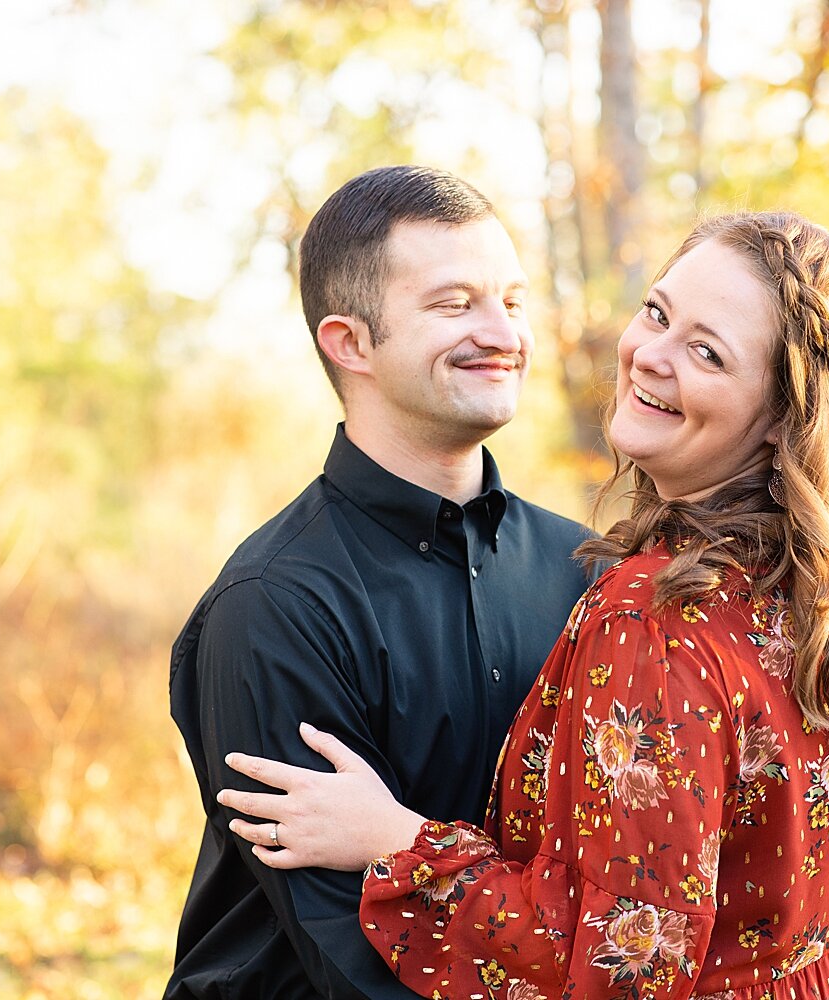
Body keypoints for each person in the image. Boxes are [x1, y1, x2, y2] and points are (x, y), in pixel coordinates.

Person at [220, 211, 829, 1000]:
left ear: (782, 415)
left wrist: (397, 842)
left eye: (707, 351)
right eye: (657, 313)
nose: (650, 355)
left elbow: (622, 971)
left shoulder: (653, 618)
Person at [165, 165, 595, 999]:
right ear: (349, 342)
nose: (501, 331)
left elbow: (631, 864)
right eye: (453, 304)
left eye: (512, 299)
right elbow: (351, 954)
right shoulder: (274, 606)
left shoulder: (588, 572)